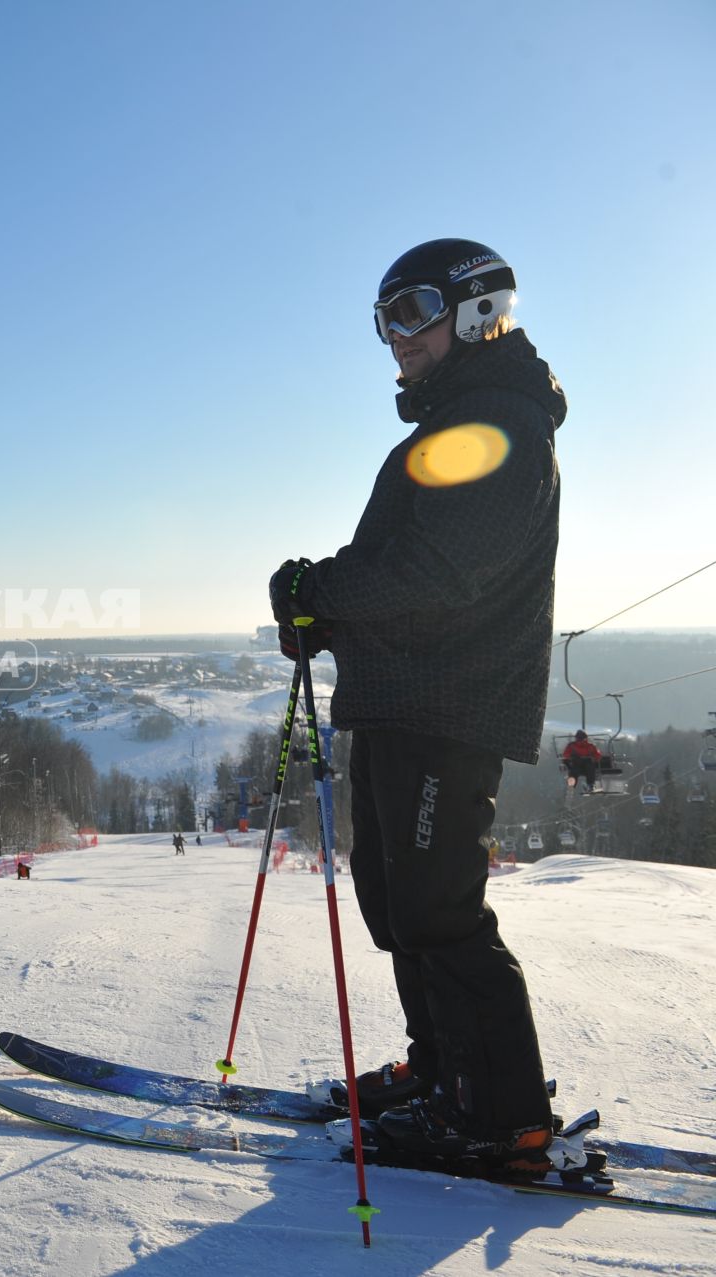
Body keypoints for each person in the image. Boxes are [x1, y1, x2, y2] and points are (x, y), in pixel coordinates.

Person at [267, 240, 574, 1170]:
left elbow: (443, 572)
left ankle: (503, 1116)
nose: (394, 335)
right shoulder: (453, 424)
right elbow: (416, 575)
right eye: (384, 318)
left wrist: (326, 589)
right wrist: (323, 613)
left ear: (480, 308)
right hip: (410, 696)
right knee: (397, 901)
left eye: (414, 311)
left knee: (440, 907)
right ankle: (448, 1071)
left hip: (453, 705)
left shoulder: (495, 423)